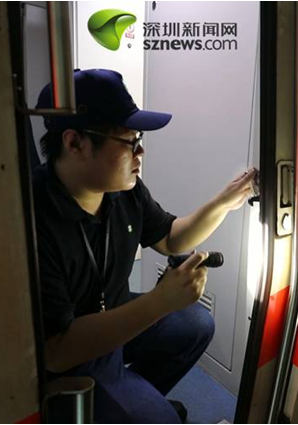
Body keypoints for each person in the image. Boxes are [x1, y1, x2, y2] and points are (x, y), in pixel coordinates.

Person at [32, 69, 257, 423]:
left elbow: (171, 238)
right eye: (129, 141)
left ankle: (129, 399)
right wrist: (161, 301)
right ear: (75, 144)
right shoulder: (33, 217)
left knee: (196, 323)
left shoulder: (124, 191)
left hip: (115, 314)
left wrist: (224, 202)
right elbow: (57, 351)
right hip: (74, 355)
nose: (141, 151)